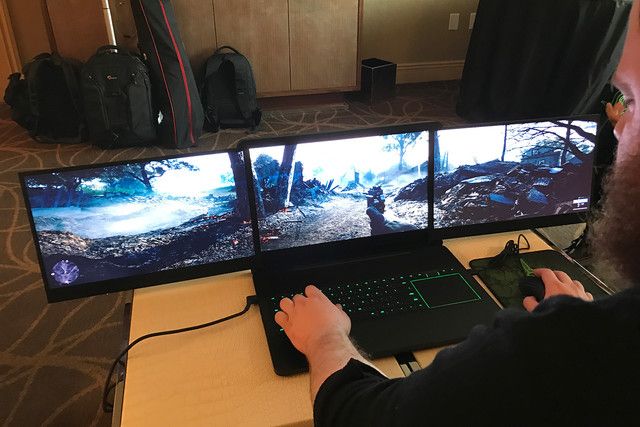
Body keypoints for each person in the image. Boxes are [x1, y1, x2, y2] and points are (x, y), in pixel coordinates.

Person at [274, 2, 640, 425]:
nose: (617, 125)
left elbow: (360, 415)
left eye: (631, 101)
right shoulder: (604, 340)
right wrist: (578, 328)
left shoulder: (557, 355)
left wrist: (323, 338)